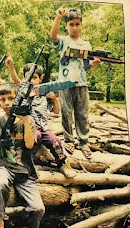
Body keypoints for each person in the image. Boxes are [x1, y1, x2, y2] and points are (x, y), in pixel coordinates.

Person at [0, 83, 45, 228]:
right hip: (3, 166)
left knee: (38, 208)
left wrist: (25, 120)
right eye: (3, 99)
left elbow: (29, 145)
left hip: (24, 170)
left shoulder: (28, 120)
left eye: (11, 98)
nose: (7, 103)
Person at [5, 57, 77, 177]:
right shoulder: (24, 92)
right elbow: (17, 81)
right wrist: (11, 68)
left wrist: (54, 100)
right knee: (35, 137)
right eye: (28, 77)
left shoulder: (45, 94)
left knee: (55, 141)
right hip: (30, 128)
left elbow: (56, 111)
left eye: (34, 78)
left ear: (40, 79)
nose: (31, 81)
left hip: (44, 128)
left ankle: (62, 164)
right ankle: (24, 162)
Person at [50, 5, 100, 159]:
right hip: (65, 83)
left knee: (82, 114)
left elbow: (85, 66)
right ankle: (68, 140)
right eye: (71, 24)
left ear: (81, 25)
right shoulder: (64, 41)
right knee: (66, 113)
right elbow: (53, 37)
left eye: (77, 24)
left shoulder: (86, 44)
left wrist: (93, 64)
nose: (75, 27)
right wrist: (58, 17)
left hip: (81, 84)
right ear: (67, 25)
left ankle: (83, 142)